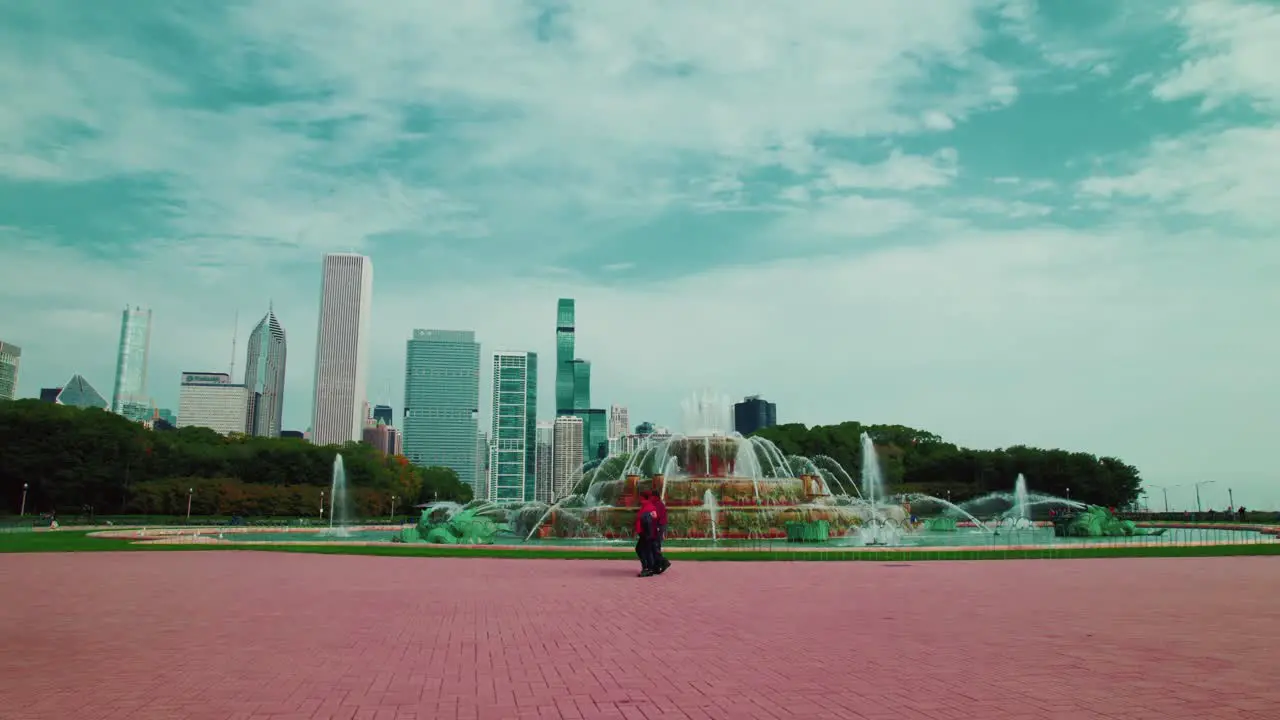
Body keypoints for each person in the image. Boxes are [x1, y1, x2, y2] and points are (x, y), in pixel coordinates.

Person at [635, 491, 659, 577]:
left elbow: (655, 516)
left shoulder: (649, 506)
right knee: (643, 550)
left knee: (643, 550)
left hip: (646, 533)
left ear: (643, 497)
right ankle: (648, 568)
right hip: (645, 532)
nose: (639, 498)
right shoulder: (646, 506)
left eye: (640, 497)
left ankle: (648, 568)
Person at [651, 491, 671, 574]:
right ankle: (657, 566)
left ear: (655, 497)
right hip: (659, 526)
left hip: (659, 526)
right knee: (656, 546)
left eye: (652, 496)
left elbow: (656, 516)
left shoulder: (658, 504)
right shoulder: (658, 503)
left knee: (654, 546)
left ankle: (664, 562)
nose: (650, 498)